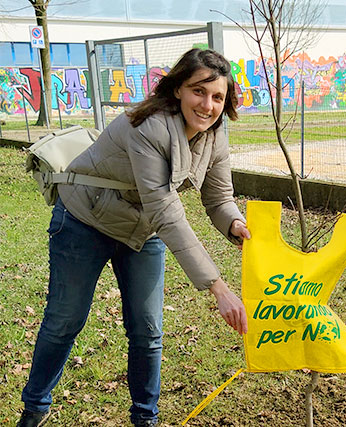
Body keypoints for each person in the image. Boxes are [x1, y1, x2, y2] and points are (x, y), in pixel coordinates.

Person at [17, 48, 250, 427]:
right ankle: (34, 410)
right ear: (178, 89)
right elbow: (166, 211)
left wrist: (235, 225)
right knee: (65, 320)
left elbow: (219, 197)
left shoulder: (214, 135)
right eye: (198, 91)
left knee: (147, 329)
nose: (207, 105)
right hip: (84, 220)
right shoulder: (150, 127)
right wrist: (217, 287)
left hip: (139, 230)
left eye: (217, 97)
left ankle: (146, 419)